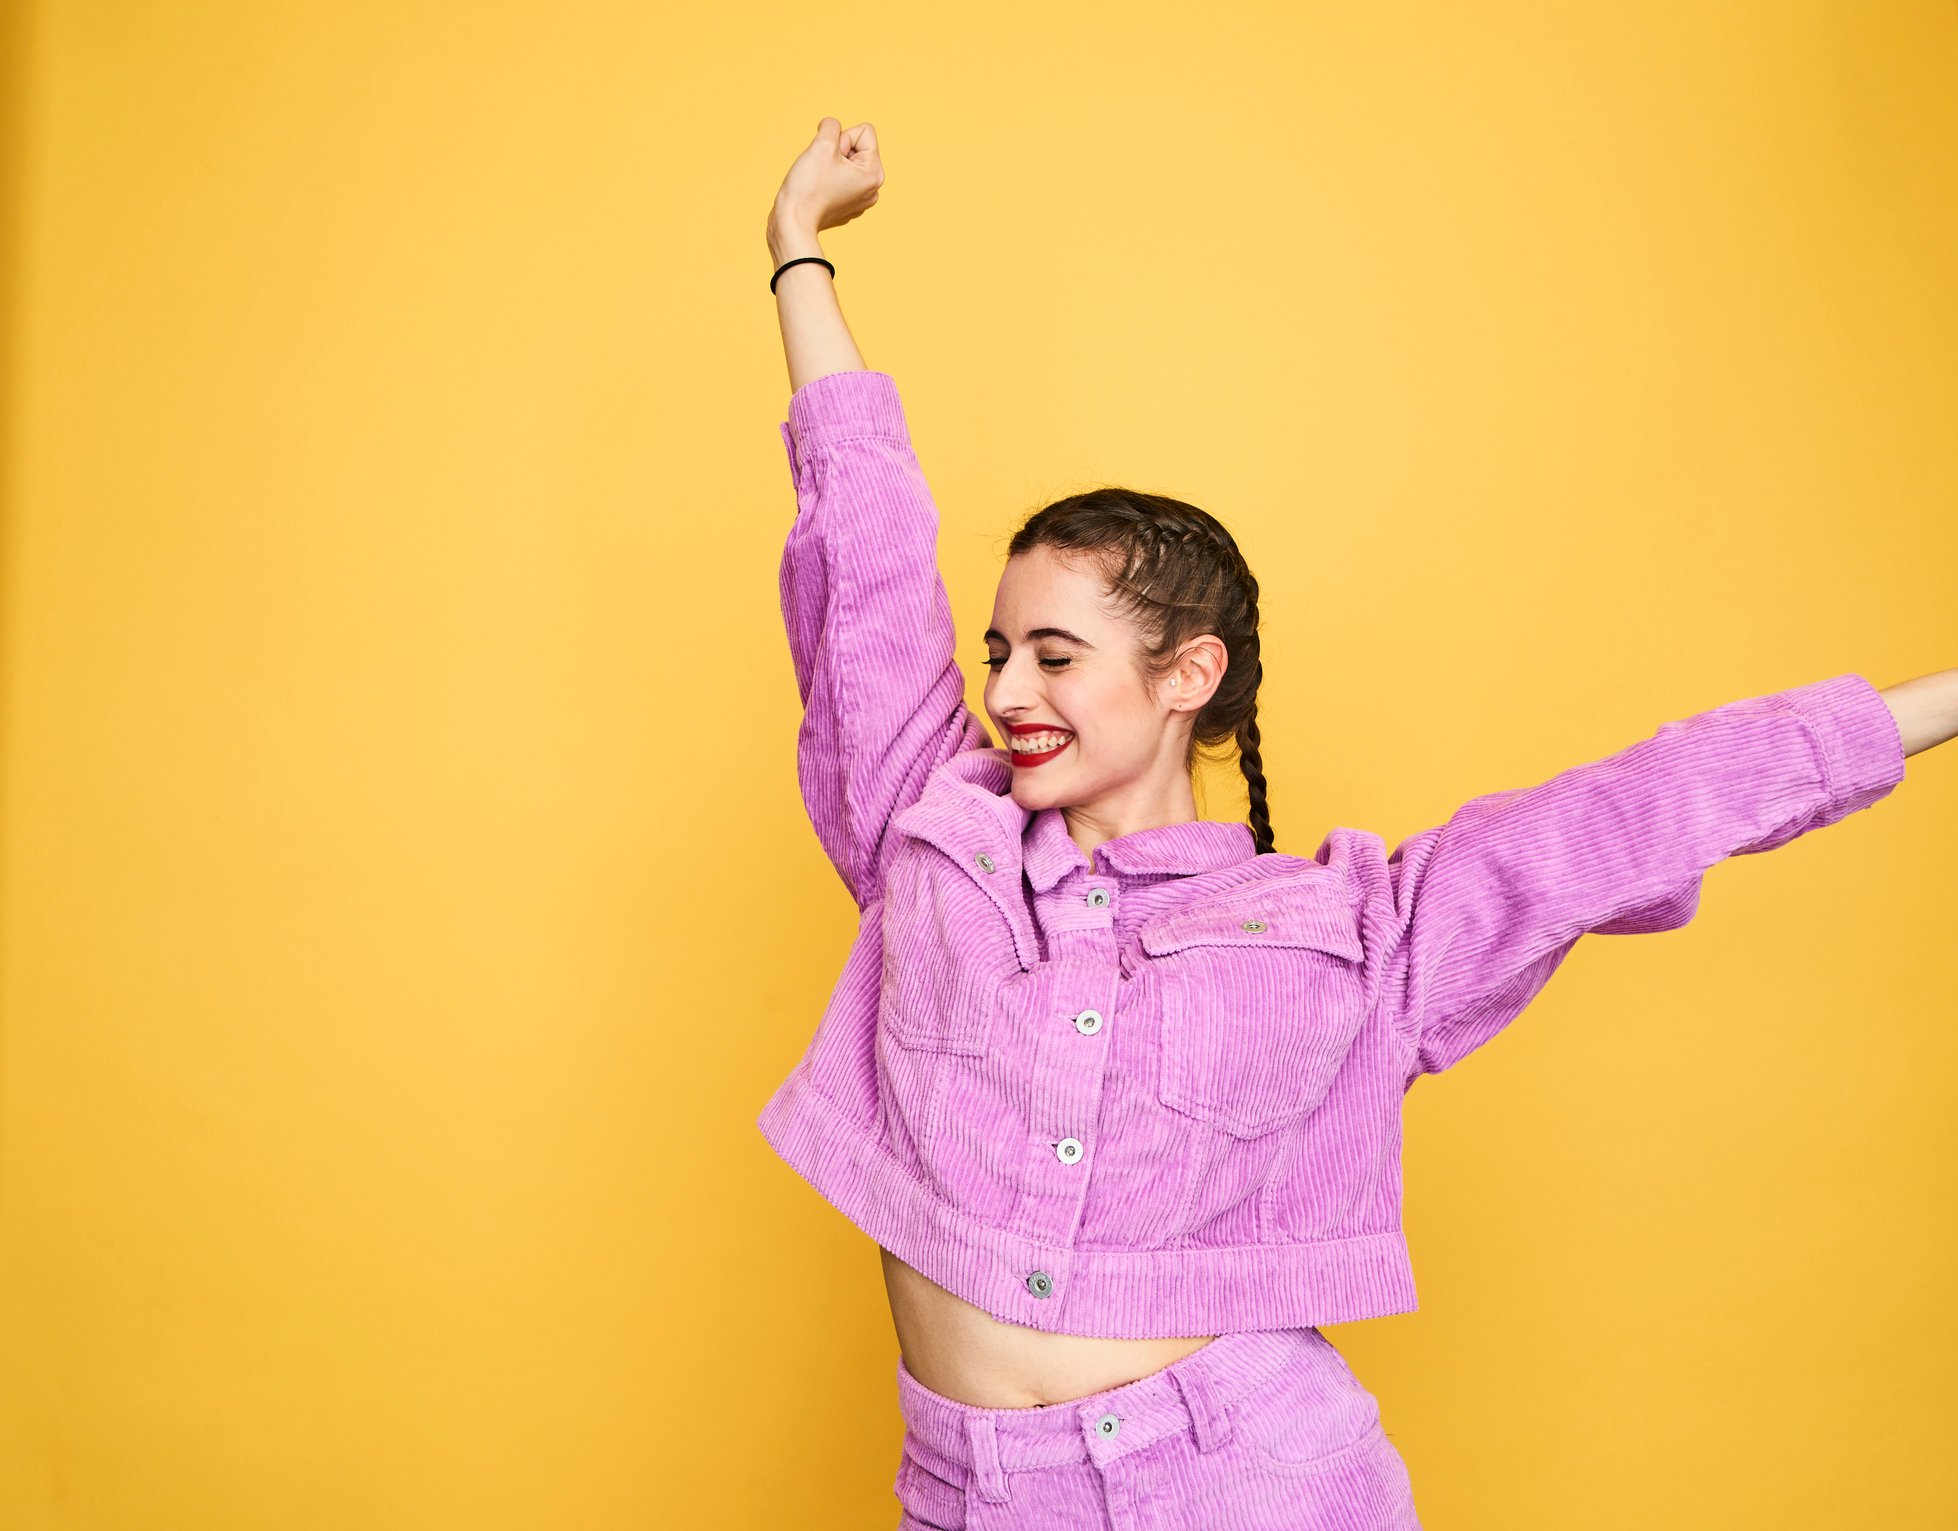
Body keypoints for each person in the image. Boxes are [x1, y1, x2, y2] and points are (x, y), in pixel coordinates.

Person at [756, 116, 1953, 1530]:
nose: (1007, 688)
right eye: (999, 650)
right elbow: (870, 548)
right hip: (964, 1492)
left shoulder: (1360, 927)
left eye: (1056, 657)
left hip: (1238, 1482)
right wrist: (799, 258)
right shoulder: (928, 824)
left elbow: (1647, 805)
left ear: (1185, 677)